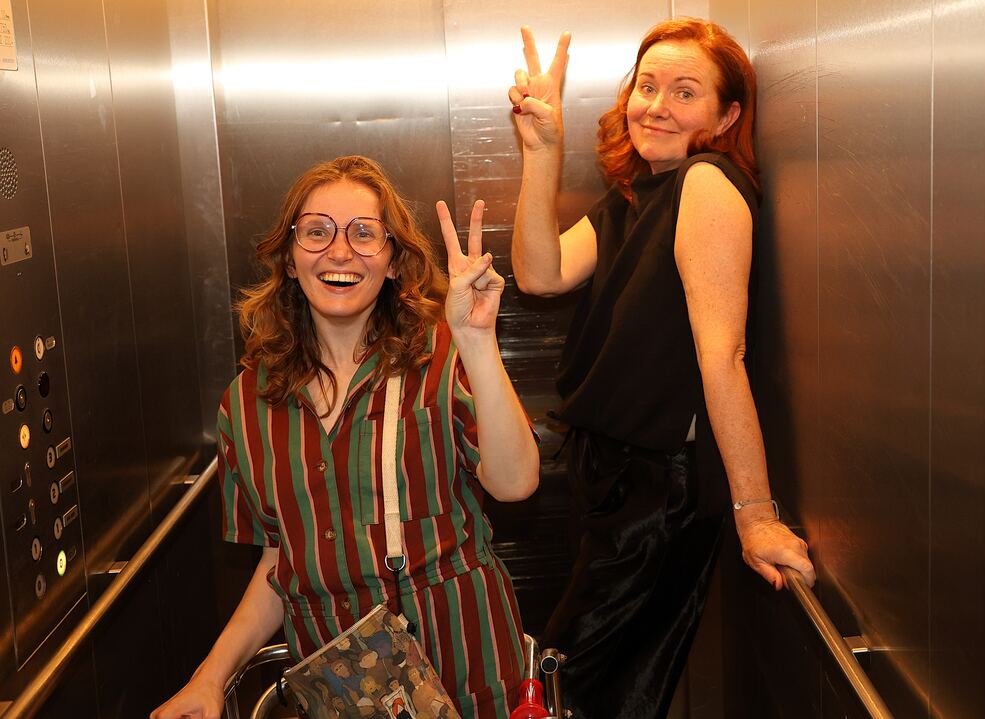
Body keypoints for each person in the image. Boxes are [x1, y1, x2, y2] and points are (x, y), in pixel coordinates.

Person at [151, 155, 538, 719]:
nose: (339, 252)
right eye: (317, 232)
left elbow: (516, 483)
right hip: (341, 696)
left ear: (395, 262)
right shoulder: (247, 402)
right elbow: (280, 563)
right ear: (289, 259)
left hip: (466, 673)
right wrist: (209, 678)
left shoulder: (443, 357)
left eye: (364, 234)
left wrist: (476, 340)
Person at [507, 19, 817, 718]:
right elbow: (540, 274)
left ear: (726, 116)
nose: (657, 106)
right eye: (647, 86)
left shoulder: (705, 182)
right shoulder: (635, 195)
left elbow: (722, 354)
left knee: (575, 686)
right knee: (581, 686)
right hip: (609, 472)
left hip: (655, 485)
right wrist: (542, 150)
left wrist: (756, 515)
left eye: (685, 92)